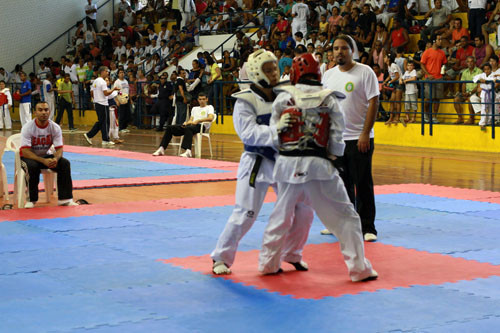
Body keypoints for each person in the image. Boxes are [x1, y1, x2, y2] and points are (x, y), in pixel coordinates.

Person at [258, 53, 377, 281]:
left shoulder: (283, 98)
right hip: (319, 166)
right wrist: (335, 159)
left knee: (281, 215)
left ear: (294, 73)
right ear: (318, 73)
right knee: (346, 218)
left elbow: (273, 136)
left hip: (287, 166)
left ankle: (268, 263)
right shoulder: (329, 99)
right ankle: (359, 268)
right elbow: (337, 138)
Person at [211, 49, 314, 275]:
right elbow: (248, 134)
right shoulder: (245, 101)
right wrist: (277, 129)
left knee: (304, 208)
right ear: (257, 73)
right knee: (246, 213)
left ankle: (292, 253)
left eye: (275, 68)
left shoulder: (285, 94)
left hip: (284, 160)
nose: (274, 73)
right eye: (268, 70)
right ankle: (221, 257)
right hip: (256, 162)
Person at [322, 35, 379, 242]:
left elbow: (374, 102)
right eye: (336, 48)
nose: (339, 52)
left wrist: (365, 133)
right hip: (336, 139)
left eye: (344, 48)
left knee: (362, 183)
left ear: (352, 50)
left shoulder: (365, 72)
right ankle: (340, 224)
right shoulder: (328, 75)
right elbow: (324, 106)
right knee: (339, 185)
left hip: (359, 137)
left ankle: (367, 227)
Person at [20, 101, 78, 208]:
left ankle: (65, 199)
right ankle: (31, 199)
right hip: (27, 157)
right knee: (33, 166)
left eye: (46, 110)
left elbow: (59, 149)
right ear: (35, 112)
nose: (44, 113)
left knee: (64, 163)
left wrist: (55, 159)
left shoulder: (55, 127)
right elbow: (25, 152)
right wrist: (43, 161)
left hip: (45, 156)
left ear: (49, 111)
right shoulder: (28, 127)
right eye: (40, 110)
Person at [152, 92, 214, 157]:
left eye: (203, 99)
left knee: (188, 128)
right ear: (198, 100)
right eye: (200, 99)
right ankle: (162, 148)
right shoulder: (194, 108)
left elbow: (210, 118)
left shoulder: (209, 107)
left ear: (207, 99)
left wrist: (198, 121)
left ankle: (188, 151)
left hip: (201, 126)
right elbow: (191, 119)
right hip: (192, 126)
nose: (202, 101)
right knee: (170, 128)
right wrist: (187, 122)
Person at [84, 66, 120, 146]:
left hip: (97, 103)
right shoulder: (102, 82)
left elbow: (92, 92)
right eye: (107, 71)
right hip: (103, 103)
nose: (108, 73)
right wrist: (113, 90)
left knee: (103, 122)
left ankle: (104, 139)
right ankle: (92, 135)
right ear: (102, 71)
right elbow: (106, 93)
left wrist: (96, 99)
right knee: (104, 122)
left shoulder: (95, 81)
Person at [420, 34, 447, 123]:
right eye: (439, 39)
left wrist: (443, 70)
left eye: (441, 39)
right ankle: (425, 114)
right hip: (429, 78)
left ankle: (434, 116)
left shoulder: (442, 53)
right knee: (428, 98)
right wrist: (428, 74)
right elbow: (422, 64)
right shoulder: (427, 52)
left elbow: (444, 64)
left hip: (439, 78)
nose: (441, 41)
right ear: (434, 41)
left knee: (437, 99)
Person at [454, 56, 482, 124]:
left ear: (474, 62)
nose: (470, 63)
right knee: (456, 99)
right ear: (466, 63)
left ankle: (471, 119)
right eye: (468, 62)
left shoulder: (479, 71)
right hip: (467, 92)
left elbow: (478, 85)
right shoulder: (464, 72)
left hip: (474, 92)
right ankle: (460, 118)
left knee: (470, 99)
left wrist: (470, 92)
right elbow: (463, 84)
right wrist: (464, 92)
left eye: (471, 61)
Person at [113, 69, 131, 133]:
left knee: (126, 114)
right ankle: (120, 128)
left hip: (126, 99)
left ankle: (124, 127)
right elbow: (115, 92)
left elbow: (127, 90)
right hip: (121, 100)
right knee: (121, 114)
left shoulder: (126, 81)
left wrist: (129, 99)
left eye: (123, 72)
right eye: (120, 72)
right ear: (118, 74)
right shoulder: (117, 82)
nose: (122, 74)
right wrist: (117, 100)